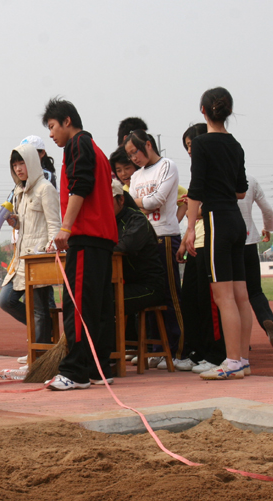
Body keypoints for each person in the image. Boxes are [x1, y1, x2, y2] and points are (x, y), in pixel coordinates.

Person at [46, 98, 118, 391]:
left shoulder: (77, 145)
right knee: (98, 307)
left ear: (66, 121)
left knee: (77, 306)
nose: (51, 134)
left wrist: (65, 227)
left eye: (52, 127)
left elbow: (81, 186)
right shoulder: (97, 150)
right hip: (102, 238)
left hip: (87, 235)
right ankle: (98, 368)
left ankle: (75, 371)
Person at [182, 87, 251, 381]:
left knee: (223, 297)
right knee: (241, 296)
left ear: (203, 111)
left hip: (216, 221)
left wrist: (189, 228)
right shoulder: (235, 144)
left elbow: (196, 189)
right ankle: (242, 358)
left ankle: (232, 360)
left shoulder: (200, 144)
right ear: (228, 111)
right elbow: (241, 190)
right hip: (236, 221)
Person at [124, 129, 187, 365]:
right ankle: (155, 348)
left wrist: (136, 202)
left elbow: (155, 201)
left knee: (171, 295)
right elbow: (132, 207)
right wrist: (140, 203)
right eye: (129, 155)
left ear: (148, 145)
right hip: (144, 242)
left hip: (165, 237)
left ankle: (177, 350)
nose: (133, 158)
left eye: (135, 152)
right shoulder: (137, 176)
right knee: (149, 297)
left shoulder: (167, 166)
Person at [0, 141, 60, 362]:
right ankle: (41, 340)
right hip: (21, 257)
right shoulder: (19, 191)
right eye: (14, 164)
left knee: (40, 308)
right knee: (6, 300)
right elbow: (25, 224)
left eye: (21, 163)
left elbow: (54, 224)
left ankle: (40, 353)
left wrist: (50, 251)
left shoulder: (46, 189)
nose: (18, 168)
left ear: (32, 162)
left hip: (39, 258)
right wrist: (14, 221)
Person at [176, 123, 226, 374]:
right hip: (196, 242)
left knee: (210, 303)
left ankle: (216, 354)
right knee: (193, 301)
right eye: (186, 147)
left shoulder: (215, 169)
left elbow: (222, 202)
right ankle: (197, 351)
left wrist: (197, 207)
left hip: (211, 241)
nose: (189, 151)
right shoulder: (198, 172)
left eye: (191, 146)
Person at [111, 179, 166, 336]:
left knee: (103, 301)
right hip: (124, 285)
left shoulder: (137, 219)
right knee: (90, 296)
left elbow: (124, 247)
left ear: (121, 199)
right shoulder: (107, 221)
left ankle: (108, 352)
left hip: (148, 287)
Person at [238, 176, 273, 349]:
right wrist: (268, 229)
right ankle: (268, 320)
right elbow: (267, 209)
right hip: (250, 242)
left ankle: (240, 340)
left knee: (234, 296)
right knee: (255, 291)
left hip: (230, 245)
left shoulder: (219, 178)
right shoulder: (250, 180)